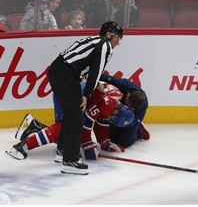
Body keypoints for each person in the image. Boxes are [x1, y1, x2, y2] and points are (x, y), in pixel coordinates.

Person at [47, 21, 123, 175]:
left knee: (70, 116)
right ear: (109, 35)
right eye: (117, 38)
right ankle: (71, 160)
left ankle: (62, 151)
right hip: (66, 74)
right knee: (76, 117)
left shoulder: (95, 41)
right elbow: (95, 73)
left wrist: (94, 85)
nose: (118, 42)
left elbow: (88, 70)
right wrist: (86, 94)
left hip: (57, 70)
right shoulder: (104, 45)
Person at [5, 84, 134, 161]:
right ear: (117, 110)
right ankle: (21, 146)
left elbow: (101, 121)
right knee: (65, 128)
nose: (111, 119)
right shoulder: (106, 103)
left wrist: (104, 141)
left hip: (75, 94)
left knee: (67, 138)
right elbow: (86, 124)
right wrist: (88, 145)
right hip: (68, 92)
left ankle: (36, 128)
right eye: (113, 118)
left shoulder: (116, 101)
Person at [96, 73, 150, 152]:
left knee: (123, 143)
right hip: (118, 112)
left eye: (131, 108)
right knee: (112, 139)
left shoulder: (142, 106)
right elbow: (106, 77)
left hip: (132, 117)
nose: (127, 108)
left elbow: (131, 122)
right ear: (127, 96)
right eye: (128, 105)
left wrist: (129, 124)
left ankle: (139, 132)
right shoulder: (123, 85)